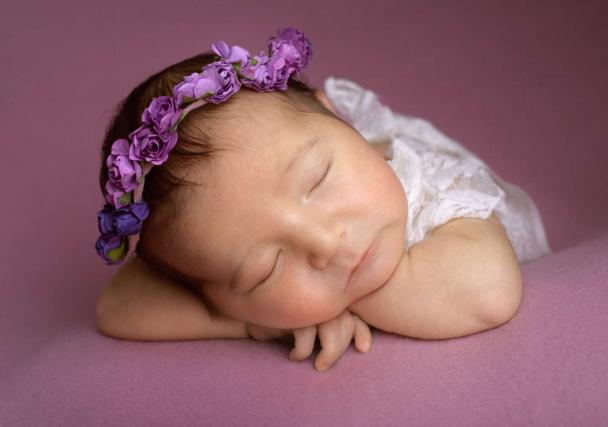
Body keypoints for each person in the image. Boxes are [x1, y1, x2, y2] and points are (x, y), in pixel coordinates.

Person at [95, 28, 551, 372]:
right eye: (266, 268)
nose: (325, 242)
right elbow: (115, 307)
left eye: (318, 180)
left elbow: (487, 295)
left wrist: (337, 301)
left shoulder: (428, 183)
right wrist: (257, 320)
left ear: (340, 120)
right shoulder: (221, 254)